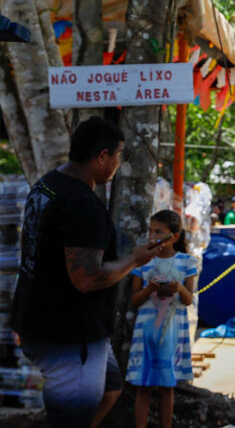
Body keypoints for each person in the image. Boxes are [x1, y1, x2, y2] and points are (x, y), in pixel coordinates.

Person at [10, 117, 160, 427]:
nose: (119, 162)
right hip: (67, 334)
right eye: (118, 154)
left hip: (45, 320)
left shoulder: (47, 184)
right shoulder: (81, 203)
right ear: (102, 156)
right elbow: (87, 278)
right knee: (70, 417)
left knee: (111, 387)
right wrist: (134, 259)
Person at [126, 210, 197, 428]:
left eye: (159, 231)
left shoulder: (187, 262)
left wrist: (177, 289)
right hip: (146, 333)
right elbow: (135, 300)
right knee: (143, 385)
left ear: (174, 237)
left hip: (172, 334)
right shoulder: (142, 262)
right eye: (151, 231)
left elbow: (188, 299)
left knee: (168, 386)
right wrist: (150, 290)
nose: (152, 236)